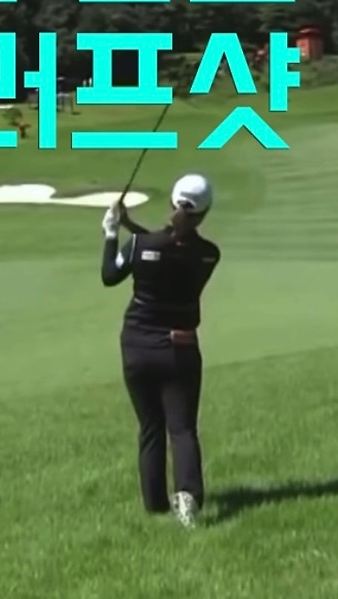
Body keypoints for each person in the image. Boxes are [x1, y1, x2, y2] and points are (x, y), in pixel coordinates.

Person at [100, 173, 220, 528]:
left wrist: (112, 232)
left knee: (150, 426)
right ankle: (187, 498)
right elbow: (167, 247)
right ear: (204, 213)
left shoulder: (139, 246)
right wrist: (130, 226)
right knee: (181, 428)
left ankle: (154, 503)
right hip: (180, 349)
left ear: (171, 201)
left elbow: (110, 274)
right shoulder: (209, 255)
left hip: (137, 347)